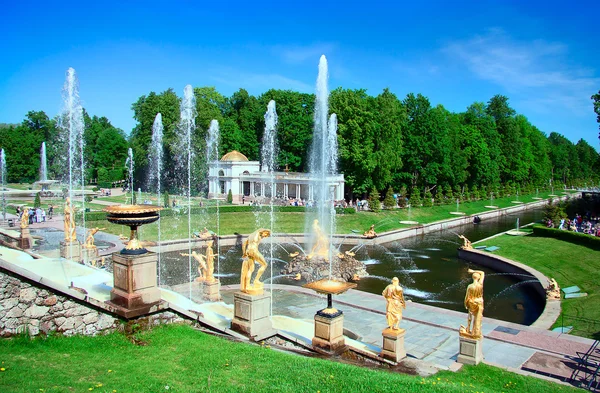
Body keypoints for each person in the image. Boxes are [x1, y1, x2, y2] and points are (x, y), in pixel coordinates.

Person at [240, 229, 271, 293]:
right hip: (254, 251)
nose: (265, 236)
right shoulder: (258, 233)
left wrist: (244, 253)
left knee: (251, 269)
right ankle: (256, 280)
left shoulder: (251, 235)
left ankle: (247, 285)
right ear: (264, 231)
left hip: (248, 251)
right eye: (266, 234)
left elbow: (244, 244)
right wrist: (267, 230)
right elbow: (260, 230)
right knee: (264, 264)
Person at [460, 269, 485, 339]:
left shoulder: (470, 286)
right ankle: (476, 331)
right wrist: (473, 271)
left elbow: (467, 297)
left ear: (472, 278)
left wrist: (466, 304)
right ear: (479, 278)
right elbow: (482, 272)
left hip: (472, 302)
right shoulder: (480, 284)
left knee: (470, 316)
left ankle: (469, 329)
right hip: (480, 302)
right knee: (478, 317)